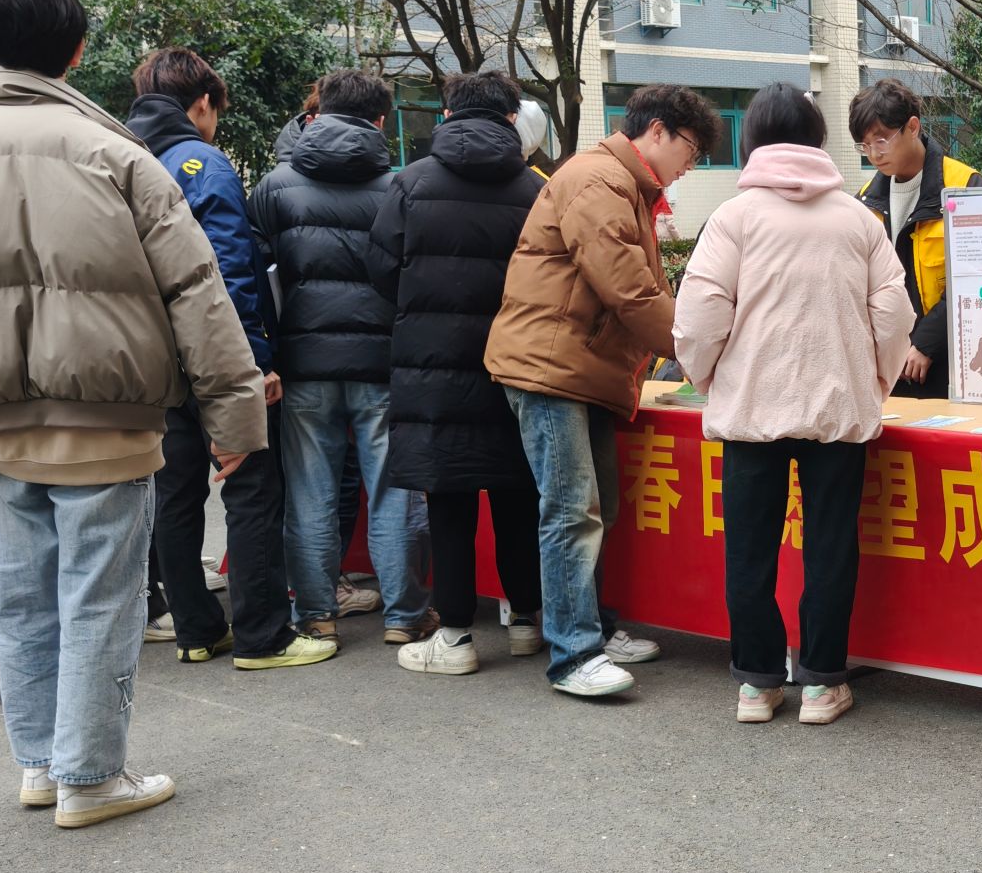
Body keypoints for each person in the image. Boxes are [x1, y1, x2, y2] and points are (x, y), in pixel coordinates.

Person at [0, 0, 264, 826]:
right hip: (108, 418)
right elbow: (196, 293)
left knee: (23, 595)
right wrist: (234, 418)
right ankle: (90, 775)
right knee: (100, 596)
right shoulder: (118, 155)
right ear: (79, 51)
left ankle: (41, 765)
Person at [674, 83, 913, 724]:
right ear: (818, 140)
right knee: (831, 547)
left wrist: (710, 377)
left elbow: (698, 317)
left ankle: (757, 683)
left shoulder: (733, 217)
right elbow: (894, 315)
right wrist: (876, 380)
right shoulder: (858, 220)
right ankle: (821, 683)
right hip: (838, 410)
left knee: (749, 550)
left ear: (750, 140)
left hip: (752, 409)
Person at [486, 83, 716, 697]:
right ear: (658, 131)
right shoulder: (599, 181)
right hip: (550, 368)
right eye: (691, 151)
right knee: (571, 510)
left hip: (581, 369)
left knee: (597, 507)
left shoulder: (624, 185)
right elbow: (629, 290)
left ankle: (595, 628)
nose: (689, 167)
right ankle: (572, 654)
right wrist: (696, 353)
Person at [126, 48, 334, 672]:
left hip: (151, 359)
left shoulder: (121, 157)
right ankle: (262, 635)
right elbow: (225, 272)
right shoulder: (202, 163)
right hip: (214, 353)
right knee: (251, 487)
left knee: (176, 491)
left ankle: (195, 628)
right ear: (203, 103)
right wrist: (255, 361)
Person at [366, 70, 546, 676]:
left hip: (433, 366)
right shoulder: (535, 189)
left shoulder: (411, 182)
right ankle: (526, 623)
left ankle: (456, 637)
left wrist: (421, 309)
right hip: (515, 363)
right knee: (518, 492)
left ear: (446, 113)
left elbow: (380, 267)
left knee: (449, 500)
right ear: (511, 118)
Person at [252, 67, 432, 648]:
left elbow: (253, 275)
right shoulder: (399, 187)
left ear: (318, 112)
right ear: (380, 120)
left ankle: (316, 615)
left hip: (303, 362)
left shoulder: (275, 186)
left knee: (310, 492)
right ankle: (404, 615)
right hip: (382, 362)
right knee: (394, 489)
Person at [849, 79, 982, 398]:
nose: (874, 154)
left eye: (881, 140)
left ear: (913, 127)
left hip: (951, 365)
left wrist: (926, 342)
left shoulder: (965, 187)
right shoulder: (863, 202)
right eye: (864, 145)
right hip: (887, 368)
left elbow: (979, 276)